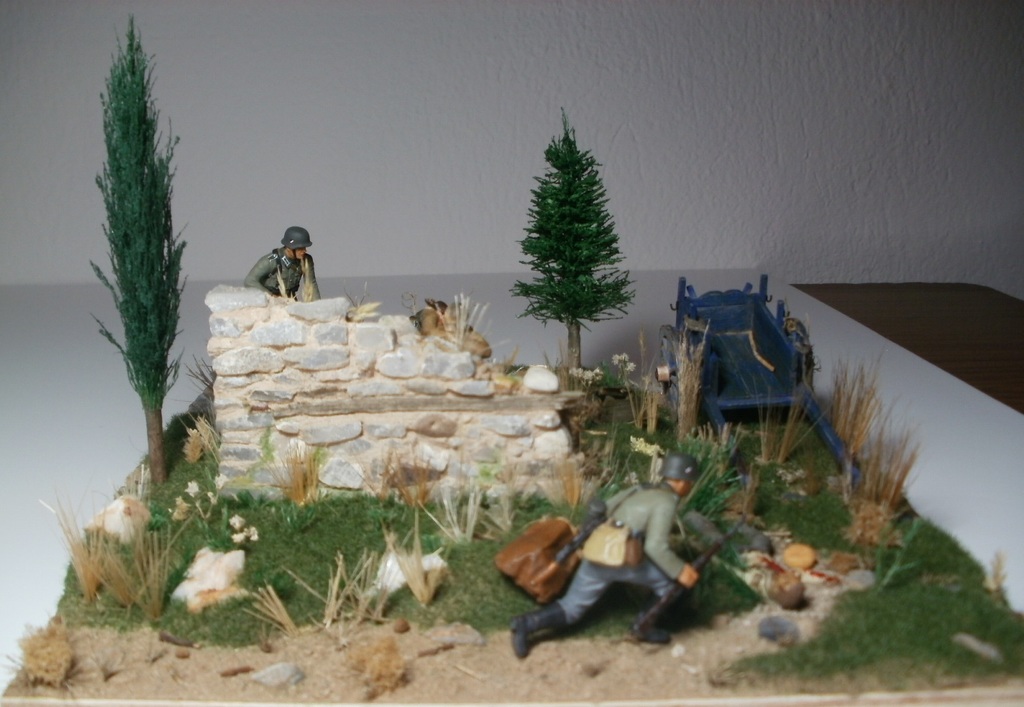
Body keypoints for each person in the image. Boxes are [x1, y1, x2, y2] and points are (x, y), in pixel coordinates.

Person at [509, 452, 703, 658]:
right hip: (622, 558)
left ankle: (525, 623)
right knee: (669, 584)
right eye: (690, 482)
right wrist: (680, 571)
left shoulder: (641, 488)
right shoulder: (666, 502)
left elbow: (605, 508)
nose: (689, 487)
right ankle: (643, 627)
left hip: (597, 549)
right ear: (682, 481)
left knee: (572, 607)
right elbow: (655, 547)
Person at [244, 226, 321, 301]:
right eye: (300, 248)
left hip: (290, 299)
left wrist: (318, 305)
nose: (304, 251)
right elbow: (250, 281)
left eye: (304, 247)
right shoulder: (271, 260)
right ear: (289, 248)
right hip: (270, 300)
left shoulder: (306, 260)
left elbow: (311, 284)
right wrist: (270, 296)